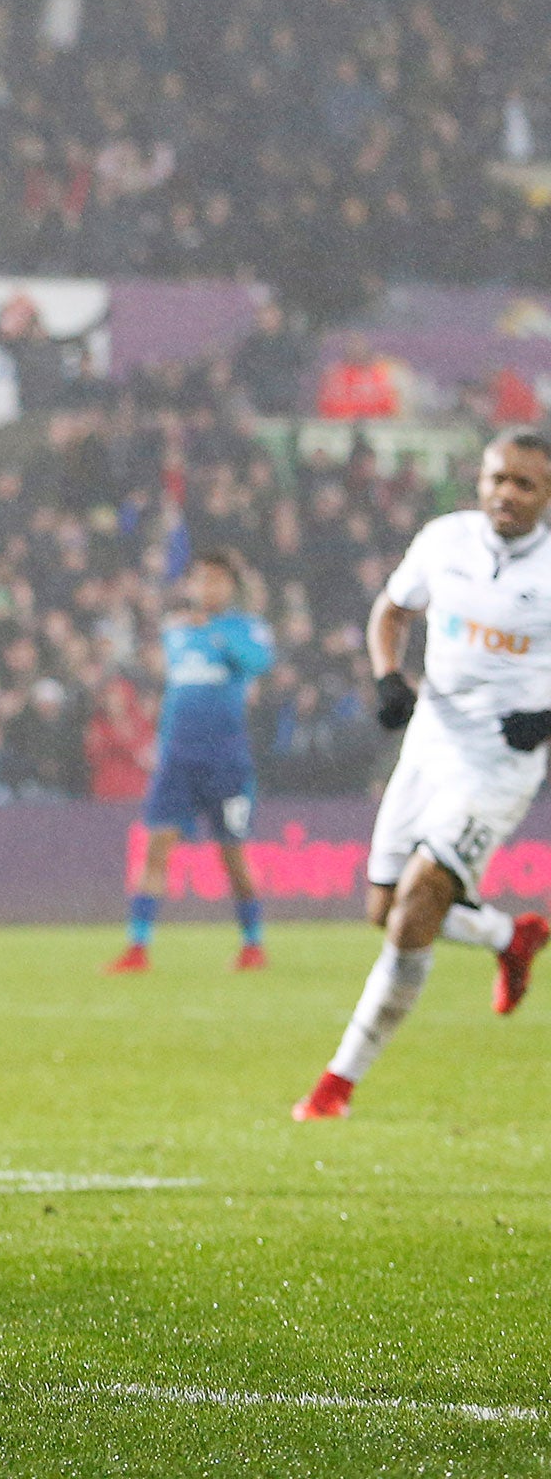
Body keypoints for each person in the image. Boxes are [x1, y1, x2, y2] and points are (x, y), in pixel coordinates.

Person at [293, 432, 551, 1121]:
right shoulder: (445, 541)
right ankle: (508, 936)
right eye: (498, 478)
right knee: (383, 911)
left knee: (416, 903)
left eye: (524, 484)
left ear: (546, 495)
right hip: (429, 744)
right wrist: (387, 678)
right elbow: (392, 611)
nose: (506, 493)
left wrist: (546, 717)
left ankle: (336, 1085)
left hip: (498, 766)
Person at [107, 550, 276, 974]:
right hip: (178, 760)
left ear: (230, 587)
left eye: (217, 581)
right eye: (201, 580)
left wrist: (218, 634)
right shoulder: (175, 631)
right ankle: (137, 947)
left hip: (226, 761)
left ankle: (252, 944)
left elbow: (260, 663)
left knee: (233, 856)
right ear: (190, 585)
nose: (208, 588)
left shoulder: (244, 629)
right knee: (156, 851)